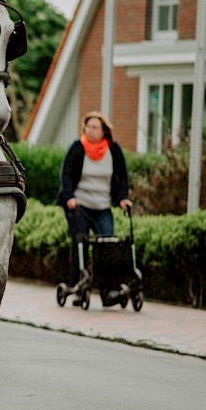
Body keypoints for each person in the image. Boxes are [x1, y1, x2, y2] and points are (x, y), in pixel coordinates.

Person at [56, 110, 133, 288]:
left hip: (102, 206)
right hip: (80, 206)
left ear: (103, 130)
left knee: (107, 245)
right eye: (88, 126)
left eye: (94, 127)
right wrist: (70, 198)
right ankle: (76, 287)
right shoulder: (77, 147)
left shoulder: (113, 149)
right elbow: (65, 175)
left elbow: (122, 176)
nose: (90, 130)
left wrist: (123, 198)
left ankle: (109, 291)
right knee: (80, 246)